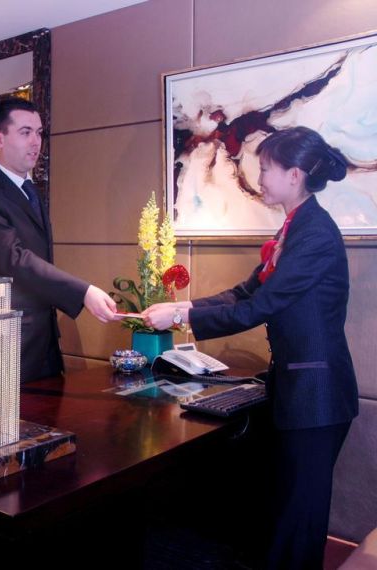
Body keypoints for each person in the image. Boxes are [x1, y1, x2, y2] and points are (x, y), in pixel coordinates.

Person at [142, 126, 359, 569]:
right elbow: (244, 292)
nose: (259, 178)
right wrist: (182, 305)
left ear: (295, 175)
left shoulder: (315, 234)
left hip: (317, 397)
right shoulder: (294, 228)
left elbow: (260, 307)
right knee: (283, 512)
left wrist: (181, 319)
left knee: (299, 521)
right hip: (298, 391)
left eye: (266, 169)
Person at [0, 97, 116, 382]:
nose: (36, 142)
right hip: (6, 342)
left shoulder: (30, 189)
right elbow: (15, 259)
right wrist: (83, 291)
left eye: (39, 132)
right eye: (25, 132)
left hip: (43, 339)